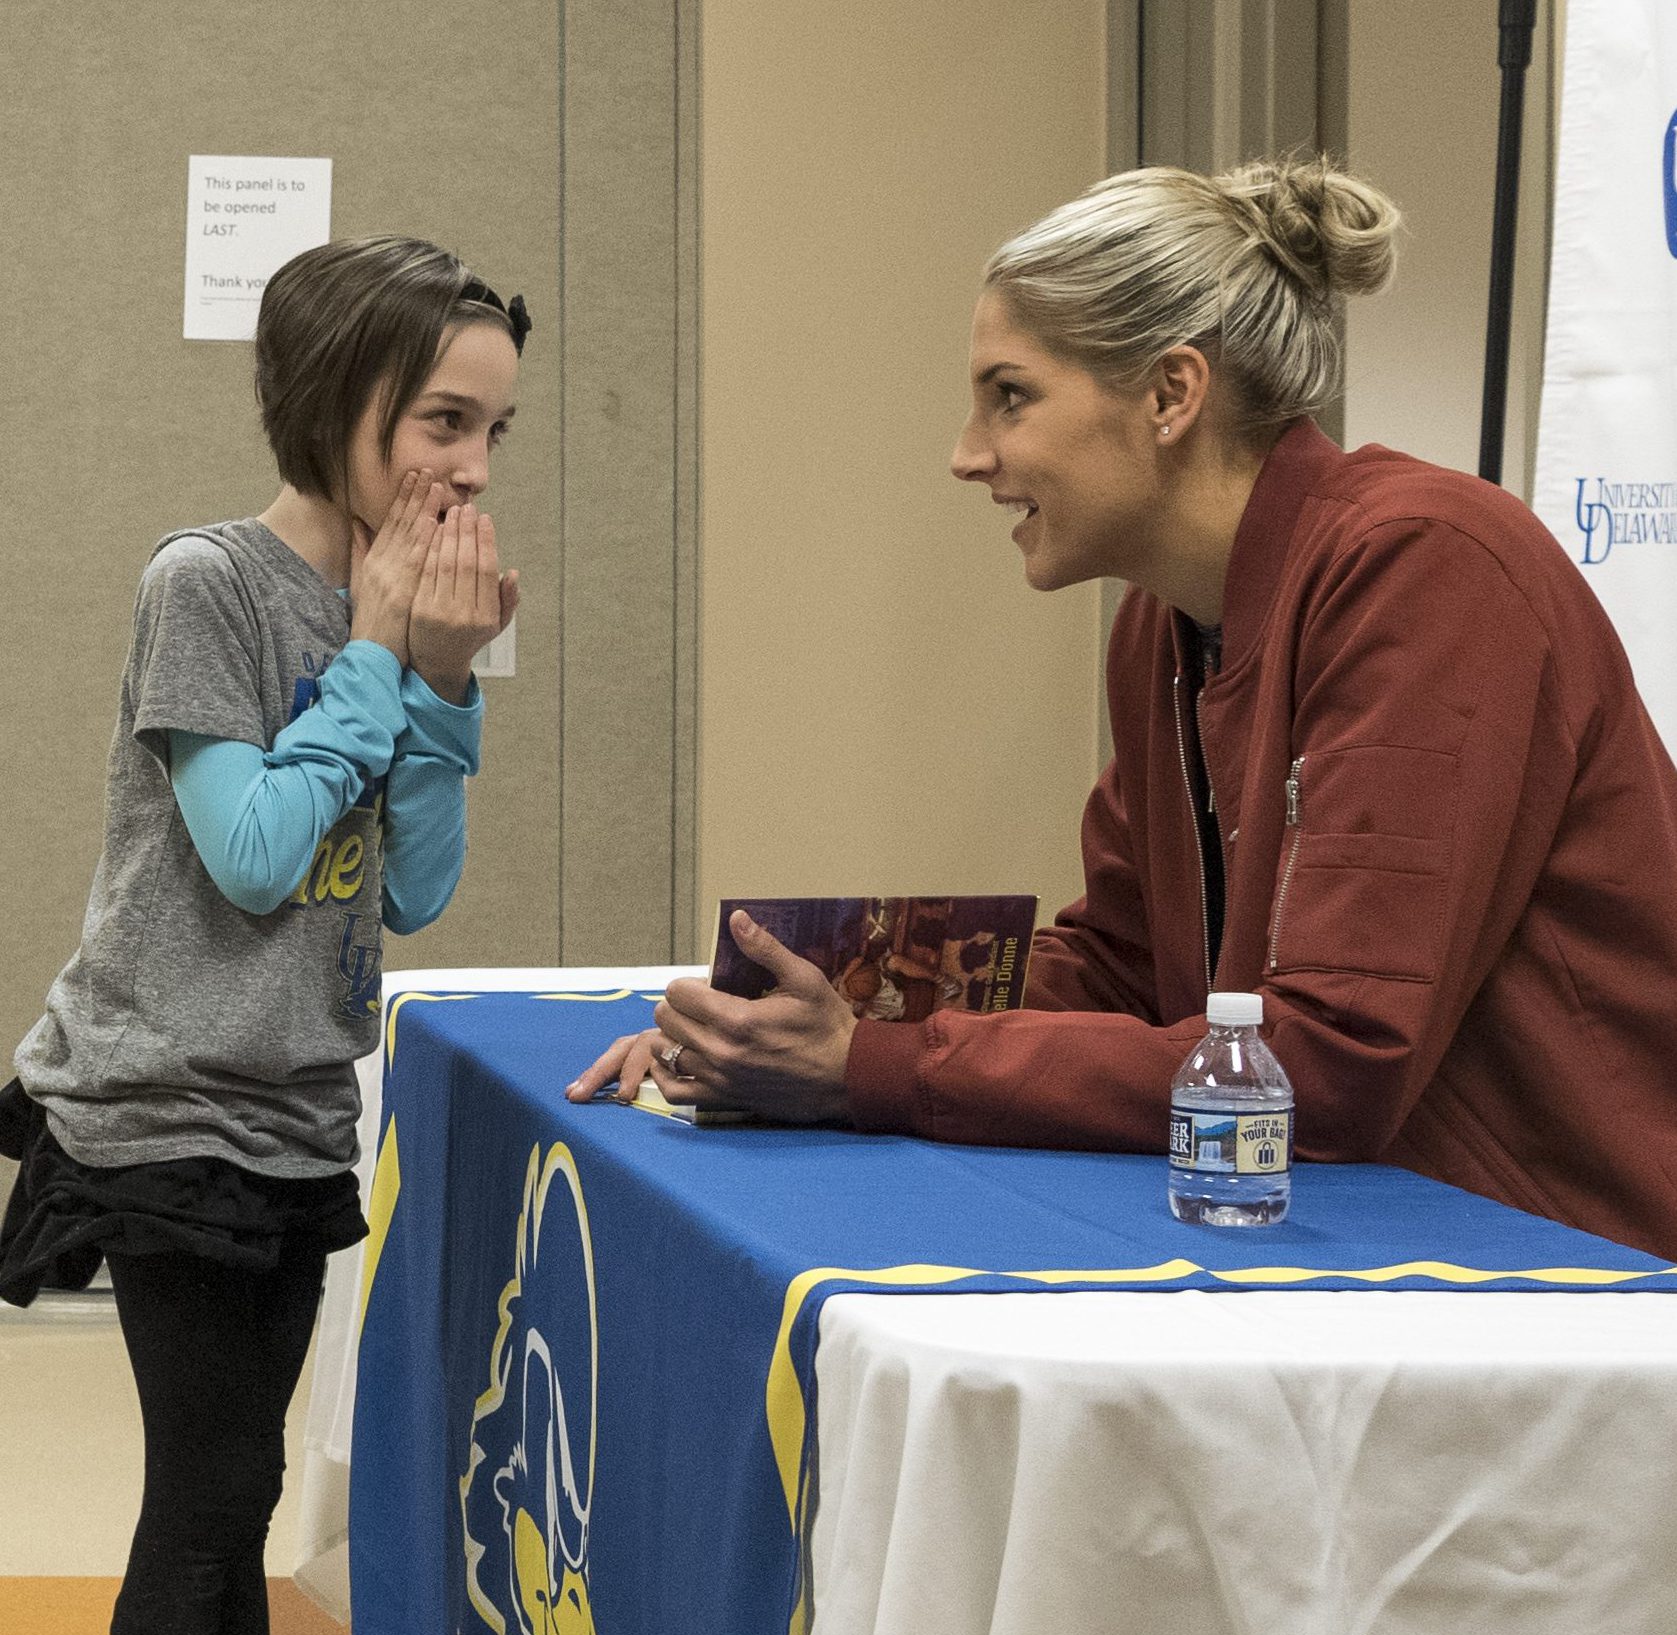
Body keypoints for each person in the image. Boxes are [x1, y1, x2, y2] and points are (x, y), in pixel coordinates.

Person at [569, 157, 1677, 1262]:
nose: (968, 454)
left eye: (1011, 395)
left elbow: (1324, 1071)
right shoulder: (1163, 629)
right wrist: (772, 1029)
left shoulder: (1428, 566)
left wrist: (868, 1066)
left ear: (1169, 394)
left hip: (1584, 1277)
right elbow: (1125, 968)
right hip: (1386, 1255)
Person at [0, 234, 526, 1635]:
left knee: (225, 1504)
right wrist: (385, 656)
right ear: (338, 399)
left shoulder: (416, 617)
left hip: (293, 1107)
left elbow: (421, 887)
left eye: (495, 430)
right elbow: (244, 851)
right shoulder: (208, 584)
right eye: (441, 419)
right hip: (158, 1111)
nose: (467, 466)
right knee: (205, 1504)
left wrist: (448, 684)